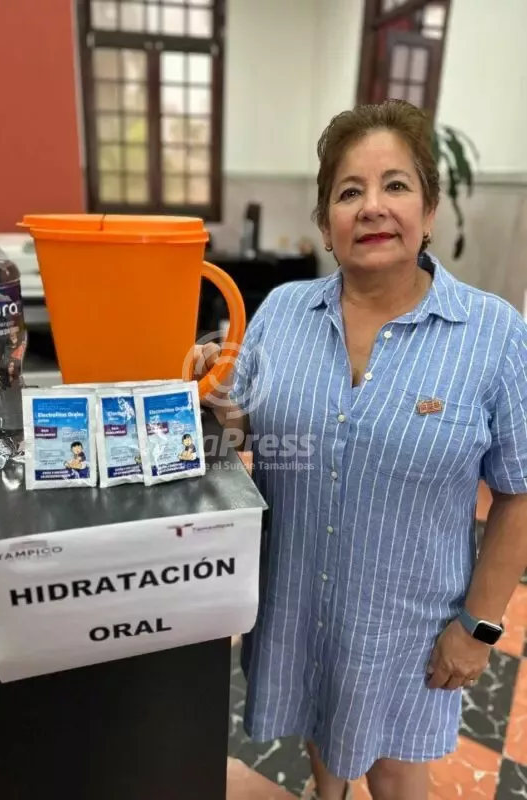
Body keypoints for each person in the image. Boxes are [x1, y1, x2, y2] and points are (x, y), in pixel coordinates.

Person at [194, 100, 527, 800]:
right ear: (326, 224)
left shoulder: (492, 333)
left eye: (394, 185)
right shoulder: (282, 312)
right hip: (298, 607)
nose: (372, 206)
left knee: (396, 770)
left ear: (429, 210)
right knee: (322, 738)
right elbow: (247, 434)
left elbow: (518, 492)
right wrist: (217, 397)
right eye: (349, 192)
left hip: (406, 627)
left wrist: (477, 626)